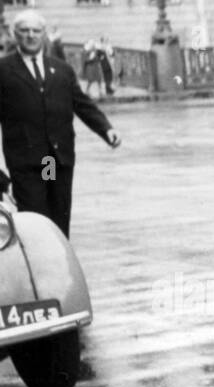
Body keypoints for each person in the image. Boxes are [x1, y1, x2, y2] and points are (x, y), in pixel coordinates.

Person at [0, 11, 122, 235]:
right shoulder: (4, 70)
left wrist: (106, 129)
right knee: (35, 218)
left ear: (44, 35)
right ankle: (39, 266)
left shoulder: (61, 69)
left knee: (57, 214)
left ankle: (58, 266)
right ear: (15, 35)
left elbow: (82, 104)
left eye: (36, 31)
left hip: (52, 161)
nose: (31, 35)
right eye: (25, 31)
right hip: (25, 163)